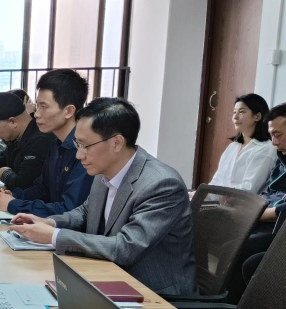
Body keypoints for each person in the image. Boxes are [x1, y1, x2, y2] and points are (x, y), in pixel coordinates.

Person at [10, 97, 196, 295]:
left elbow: (125, 247)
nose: (79, 155)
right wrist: (50, 223)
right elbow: (85, 213)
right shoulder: (104, 171)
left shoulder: (161, 184)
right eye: (77, 145)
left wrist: (54, 236)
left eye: (85, 146)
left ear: (116, 143)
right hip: (109, 279)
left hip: (155, 296)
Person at [0, 69, 92, 216]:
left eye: (44, 107)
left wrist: (14, 204)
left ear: (69, 111)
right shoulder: (56, 145)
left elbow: (69, 210)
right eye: (37, 106)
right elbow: (42, 190)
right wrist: (11, 196)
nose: (36, 114)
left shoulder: (85, 150)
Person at [226, 103, 286, 301]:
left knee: (248, 256)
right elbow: (271, 193)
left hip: (276, 226)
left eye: (278, 135)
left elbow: (281, 209)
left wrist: (255, 212)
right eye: (271, 136)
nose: (274, 143)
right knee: (232, 246)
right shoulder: (282, 157)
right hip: (272, 223)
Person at [208, 93, 277, 193]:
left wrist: (212, 195)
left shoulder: (266, 148)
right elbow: (217, 180)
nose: (235, 117)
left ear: (257, 116)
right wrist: (202, 195)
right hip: (220, 199)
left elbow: (248, 190)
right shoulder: (233, 146)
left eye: (241, 112)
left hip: (240, 202)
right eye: (234, 112)